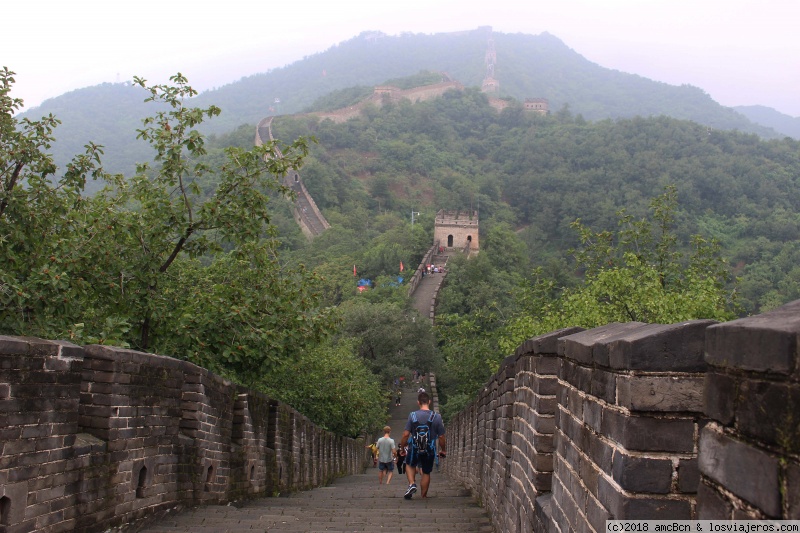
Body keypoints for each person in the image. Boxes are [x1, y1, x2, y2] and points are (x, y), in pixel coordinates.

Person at [399, 391, 446, 499]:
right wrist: (443, 450)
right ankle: (423, 496)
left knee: (409, 464)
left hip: (414, 447)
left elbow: (406, 434)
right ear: (429, 402)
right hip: (429, 448)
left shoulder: (413, 415)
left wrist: (402, 448)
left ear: (418, 402)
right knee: (426, 471)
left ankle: (412, 484)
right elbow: (441, 436)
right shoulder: (437, 417)